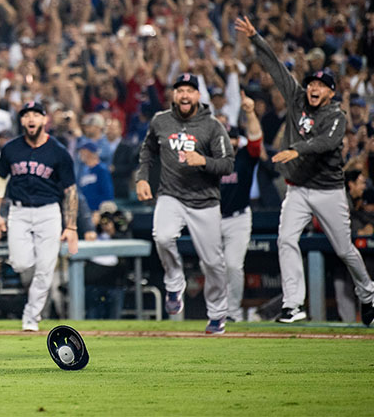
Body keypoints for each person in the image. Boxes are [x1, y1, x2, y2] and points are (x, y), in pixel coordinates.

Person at [235, 16, 374, 326]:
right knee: (285, 239)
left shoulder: (335, 115)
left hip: (328, 190)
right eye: (312, 83)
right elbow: (275, 67)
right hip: (298, 188)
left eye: (321, 86)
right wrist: (256, 38)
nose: (313, 88)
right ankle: (292, 304)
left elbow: (328, 143)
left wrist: (296, 149)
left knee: (343, 249)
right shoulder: (298, 97)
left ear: (330, 93)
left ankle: (367, 291)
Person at [136, 72, 234, 335]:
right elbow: (147, 152)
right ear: (174, 95)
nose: (184, 95)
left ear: (198, 96)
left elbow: (227, 164)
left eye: (190, 90)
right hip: (171, 195)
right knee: (163, 236)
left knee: (212, 263)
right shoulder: (161, 121)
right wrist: (142, 179)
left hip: (205, 201)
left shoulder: (212, 126)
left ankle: (216, 314)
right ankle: (174, 281)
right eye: (180, 90)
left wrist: (203, 161)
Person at [0, 101, 80, 332]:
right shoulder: (10, 148)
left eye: (36, 115)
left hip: (49, 211)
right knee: (21, 262)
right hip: (18, 211)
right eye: (26, 115)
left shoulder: (58, 151)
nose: (31, 119)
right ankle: (32, 307)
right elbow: (0, 179)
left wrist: (71, 226)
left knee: (46, 269)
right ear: (21, 120)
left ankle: (31, 316)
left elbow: (70, 190)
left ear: (44, 120)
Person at [220, 92, 263, 322]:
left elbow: (256, 137)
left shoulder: (245, 156)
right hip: (212, 219)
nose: (229, 142)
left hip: (238, 218)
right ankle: (216, 311)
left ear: (238, 141)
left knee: (234, 265)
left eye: (232, 138)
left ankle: (233, 313)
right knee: (211, 267)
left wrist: (249, 113)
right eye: (224, 138)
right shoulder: (211, 159)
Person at [77, 139, 115, 212]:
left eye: (82, 151)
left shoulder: (101, 169)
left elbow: (108, 193)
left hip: (98, 211)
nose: (80, 153)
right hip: (85, 210)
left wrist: (99, 211)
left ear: (89, 152)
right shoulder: (83, 170)